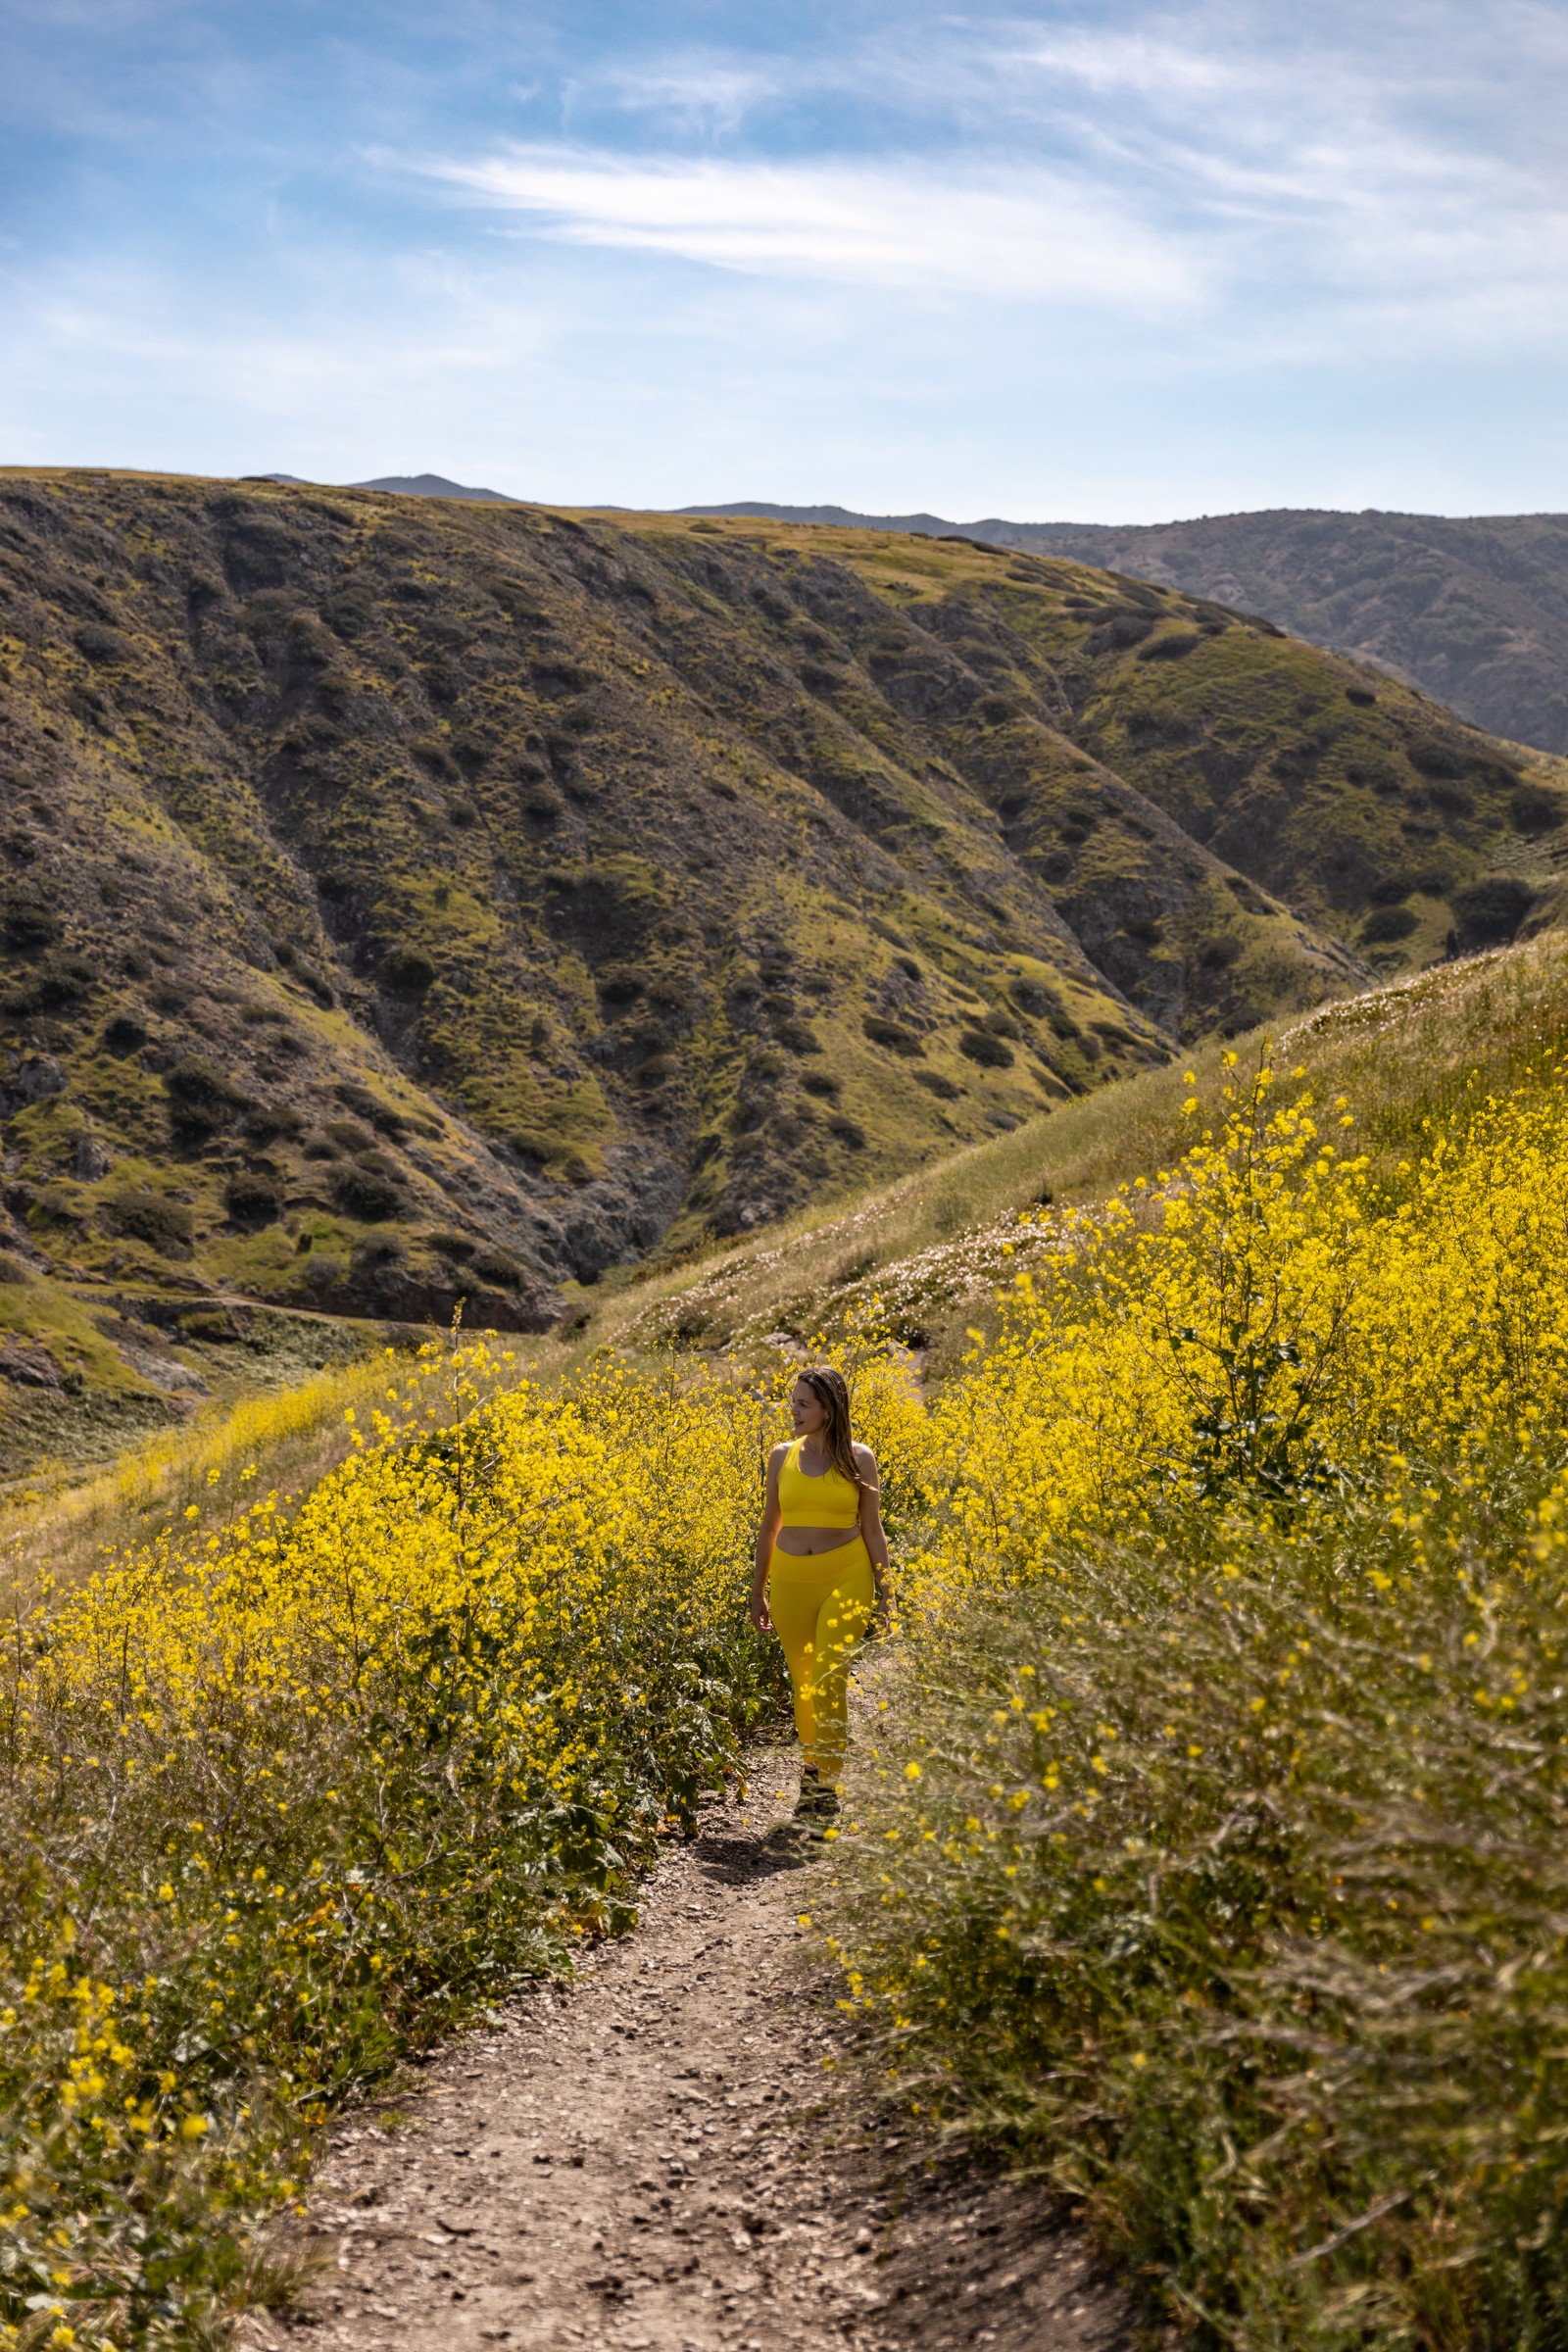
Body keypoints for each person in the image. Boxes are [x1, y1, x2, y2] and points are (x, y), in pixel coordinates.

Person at [751, 1366, 894, 1825]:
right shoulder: (780, 1457)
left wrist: (888, 1596)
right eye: (792, 1401)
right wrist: (757, 1591)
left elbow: (873, 1529)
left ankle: (826, 1784)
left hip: (846, 1575)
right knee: (804, 1681)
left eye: (803, 1404)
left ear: (828, 1412)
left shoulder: (860, 1459)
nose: (793, 1410)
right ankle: (812, 1770)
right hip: (791, 1580)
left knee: (830, 1675)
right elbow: (769, 1526)